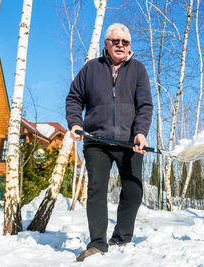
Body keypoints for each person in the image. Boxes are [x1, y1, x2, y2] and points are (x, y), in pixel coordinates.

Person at [65, 23, 153, 261]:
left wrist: (141, 132)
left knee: (133, 190)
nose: (121, 46)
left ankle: (122, 237)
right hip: (96, 141)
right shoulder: (91, 69)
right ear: (107, 43)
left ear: (130, 46)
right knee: (96, 190)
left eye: (125, 42)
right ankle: (97, 244)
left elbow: (145, 105)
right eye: (116, 41)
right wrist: (75, 123)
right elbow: (74, 98)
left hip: (129, 142)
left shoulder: (138, 70)